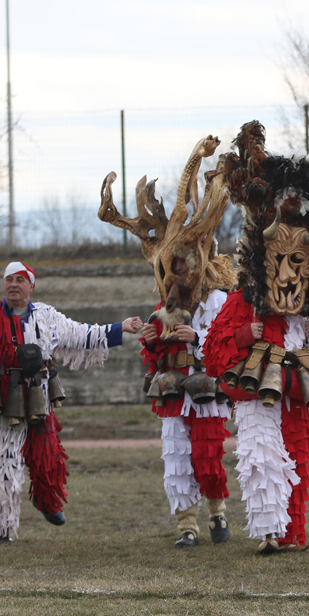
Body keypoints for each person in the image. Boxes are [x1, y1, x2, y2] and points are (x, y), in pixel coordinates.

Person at [202, 121, 309, 554]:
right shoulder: (242, 304)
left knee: (297, 459)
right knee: (261, 457)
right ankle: (269, 531)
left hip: (296, 396)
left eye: (297, 260)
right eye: (277, 260)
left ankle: (293, 533)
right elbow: (213, 352)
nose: (287, 271)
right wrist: (244, 337)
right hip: (256, 397)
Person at [98, 135, 237, 547]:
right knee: (177, 458)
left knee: (209, 458)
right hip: (172, 388)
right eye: (174, 262)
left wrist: (200, 336)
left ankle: (217, 512)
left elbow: (229, 341)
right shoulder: (164, 301)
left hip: (208, 388)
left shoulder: (219, 300)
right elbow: (152, 349)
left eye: (186, 261)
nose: (180, 269)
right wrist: (153, 338)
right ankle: (187, 526)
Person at [0, 262, 142, 542]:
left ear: (32, 285)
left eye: (20, 279)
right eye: (9, 279)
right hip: (1, 404)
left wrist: (121, 328)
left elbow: (82, 335)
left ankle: (46, 500)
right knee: (4, 467)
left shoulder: (47, 317)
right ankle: (3, 530)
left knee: (48, 461)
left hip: (39, 401)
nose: (14, 284)